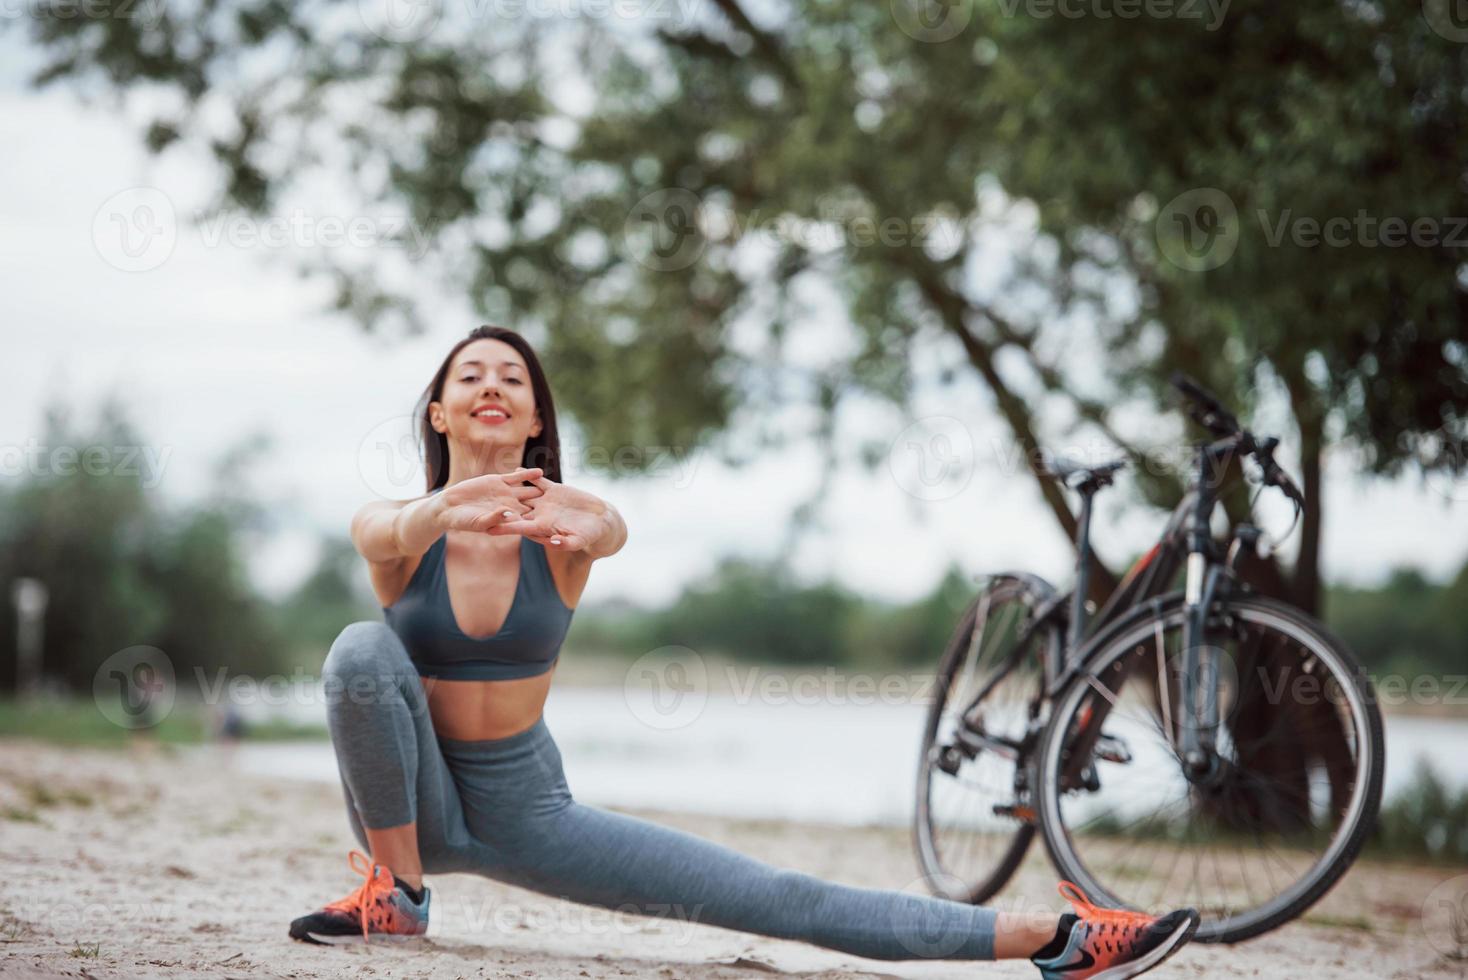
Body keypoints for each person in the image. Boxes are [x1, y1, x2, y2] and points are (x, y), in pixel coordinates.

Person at [288, 324, 1199, 978]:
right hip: (411, 808)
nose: (493, 385)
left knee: (779, 897)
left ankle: (1057, 942)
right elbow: (381, 526)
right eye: (471, 376)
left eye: (514, 380)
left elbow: (607, 531)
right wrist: (446, 509)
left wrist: (598, 523)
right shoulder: (401, 537)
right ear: (440, 415)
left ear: (535, 423)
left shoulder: (558, 535)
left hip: (529, 811)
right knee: (361, 651)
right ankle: (398, 895)